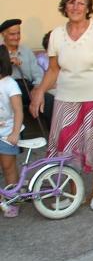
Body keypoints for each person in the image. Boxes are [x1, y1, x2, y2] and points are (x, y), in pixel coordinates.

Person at [30, 0, 93, 211]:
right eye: (71, 2)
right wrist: (39, 91)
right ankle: (75, 191)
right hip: (66, 100)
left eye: (81, 3)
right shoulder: (56, 34)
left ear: (88, 8)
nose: (76, 7)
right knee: (68, 148)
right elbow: (53, 69)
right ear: (65, 6)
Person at [0, 19, 53, 129]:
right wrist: (7, 62)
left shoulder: (26, 50)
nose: (16, 37)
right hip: (4, 89)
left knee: (49, 100)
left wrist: (37, 87)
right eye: (12, 34)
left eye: (18, 33)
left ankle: (52, 135)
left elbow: (37, 73)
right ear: (3, 34)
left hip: (26, 87)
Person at [0, 45, 23, 218]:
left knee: (8, 167)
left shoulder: (10, 84)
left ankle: (13, 198)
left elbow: (18, 111)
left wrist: (15, 132)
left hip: (8, 132)